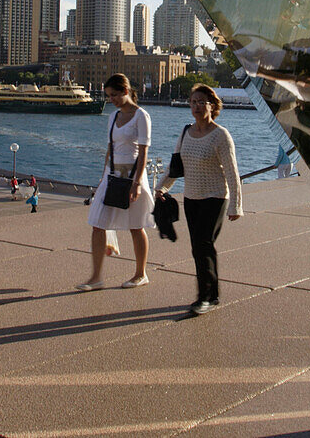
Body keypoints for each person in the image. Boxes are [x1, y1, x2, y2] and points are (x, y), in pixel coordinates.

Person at [155, 85, 243, 315]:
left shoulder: (221, 135)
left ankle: (205, 297)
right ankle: (211, 295)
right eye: (193, 102)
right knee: (199, 247)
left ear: (212, 106)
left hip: (215, 198)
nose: (196, 106)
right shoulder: (186, 132)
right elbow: (175, 167)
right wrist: (161, 188)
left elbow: (232, 173)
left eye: (201, 102)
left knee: (203, 245)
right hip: (191, 198)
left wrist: (236, 205)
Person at [77, 73, 153, 291]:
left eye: (115, 95)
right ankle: (96, 277)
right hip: (111, 176)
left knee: (135, 226)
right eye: (110, 96)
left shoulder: (141, 116)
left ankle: (140, 274)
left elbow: (144, 151)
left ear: (126, 92)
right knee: (97, 223)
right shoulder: (113, 116)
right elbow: (110, 148)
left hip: (132, 176)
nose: (112, 100)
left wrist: (137, 182)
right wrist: (103, 177)